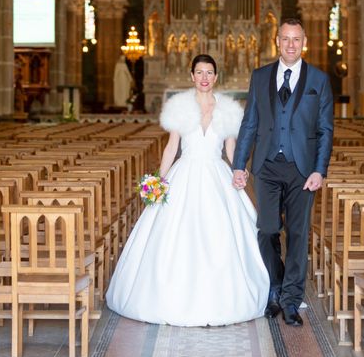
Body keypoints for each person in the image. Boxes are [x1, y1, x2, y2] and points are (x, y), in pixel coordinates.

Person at [106, 54, 269, 326]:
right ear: (192, 76)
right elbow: (172, 148)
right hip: (186, 173)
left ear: (216, 77)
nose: (204, 78)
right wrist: (160, 180)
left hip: (217, 174)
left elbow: (231, 149)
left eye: (209, 73)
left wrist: (240, 170)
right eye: (199, 72)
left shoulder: (228, 109)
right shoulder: (180, 107)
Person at [232, 18, 334, 327]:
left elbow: (326, 129)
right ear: (277, 41)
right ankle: (274, 287)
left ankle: (291, 299)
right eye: (286, 39)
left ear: (304, 42)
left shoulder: (319, 80)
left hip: (302, 170)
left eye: (296, 39)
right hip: (266, 165)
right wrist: (239, 164)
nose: (291, 44)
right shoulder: (260, 76)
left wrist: (320, 169)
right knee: (267, 229)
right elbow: (250, 122)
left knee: (299, 235)